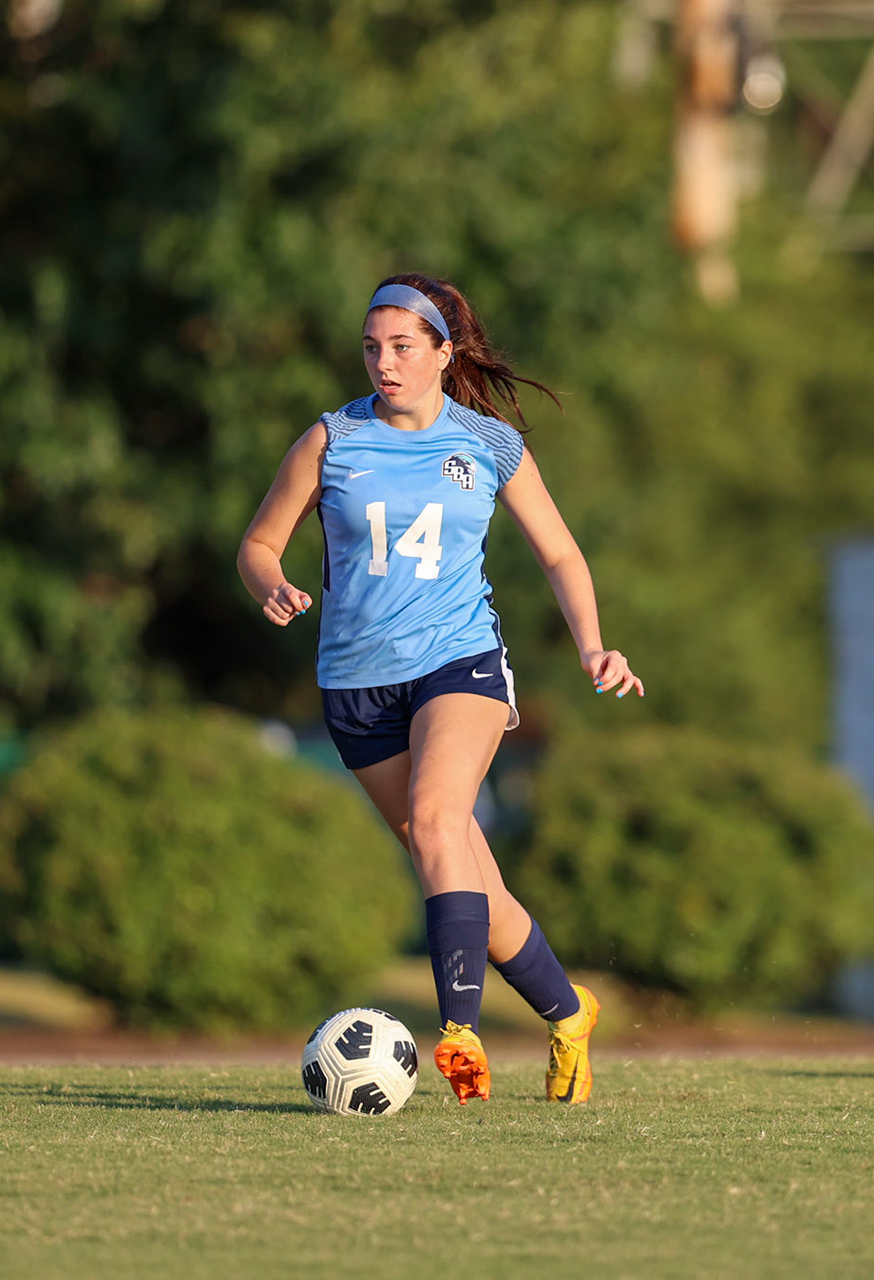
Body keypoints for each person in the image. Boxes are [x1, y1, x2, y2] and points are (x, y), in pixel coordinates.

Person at [238, 273, 642, 1104]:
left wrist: (594, 646)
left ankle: (460, 1030)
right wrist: (269, 583)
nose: (382, 363)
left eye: (402, 347)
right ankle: (569, 1014)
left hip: (460, 663)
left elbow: (562, 555)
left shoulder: (490, 446)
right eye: (370, 347)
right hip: (355, 685)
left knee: (436, 820)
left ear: (442, 353)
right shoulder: (331, 439)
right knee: (458, 867)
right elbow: (257, 543)